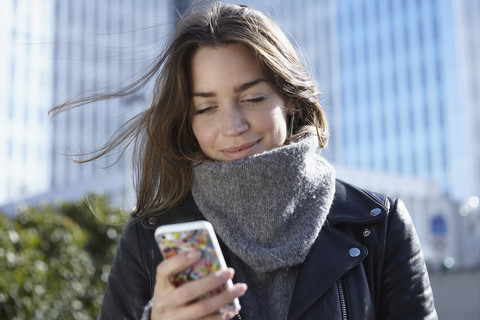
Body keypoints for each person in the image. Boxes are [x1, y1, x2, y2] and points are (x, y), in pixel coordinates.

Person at [51, 1, 438, 319]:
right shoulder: (146, 238)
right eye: (205, 108)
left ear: (288, 98)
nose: (232, 126)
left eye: (253, 98)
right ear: (186, 120)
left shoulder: (377, 224)